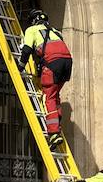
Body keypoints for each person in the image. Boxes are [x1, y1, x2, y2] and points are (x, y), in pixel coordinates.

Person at [18, 9, 73, 148]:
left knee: (48, 98)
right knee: (55, 96)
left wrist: (21, 65)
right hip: (67, 63)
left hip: (53, 63)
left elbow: (26, 49)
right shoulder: (56, 31)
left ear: (33, 21)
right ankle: (57, 124)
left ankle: (53, 133)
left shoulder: (32, 30)